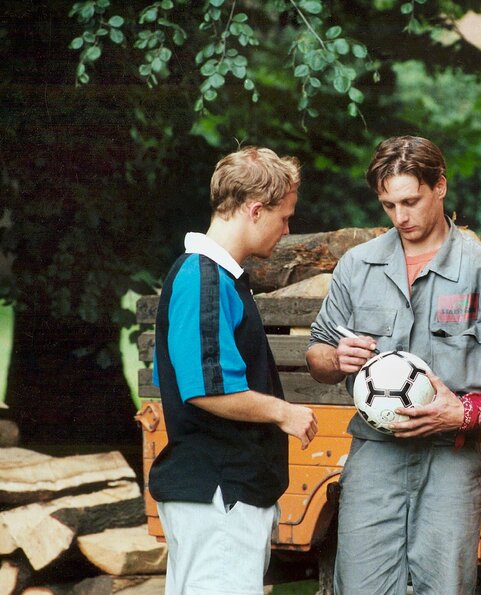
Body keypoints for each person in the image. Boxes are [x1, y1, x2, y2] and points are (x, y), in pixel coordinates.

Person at [306, 135, 481, 594]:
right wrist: (334, 358)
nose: (400, 217)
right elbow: (317, 350)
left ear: (441, 187)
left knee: (446, 586)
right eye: (388, 205)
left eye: (410, 201)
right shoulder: (358, 265)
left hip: (451, 454)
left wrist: (470, 411)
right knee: (360, 585)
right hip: (374, 455)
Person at [149, 146, 319, 595]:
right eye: (284, 217)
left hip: (221, 493)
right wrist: (284, 413)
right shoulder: (202, 278)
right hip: (218, 494)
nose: (287, 230)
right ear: (255, 209)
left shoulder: (218, 278)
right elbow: (206, 388)